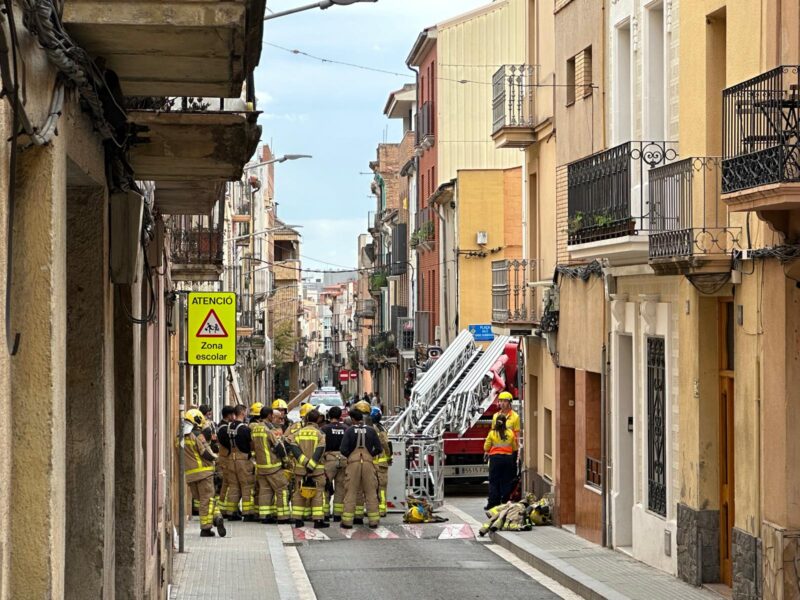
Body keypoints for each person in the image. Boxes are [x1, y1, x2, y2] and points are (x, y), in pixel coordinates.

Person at [181, 408, 225, 537]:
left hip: (190, 475)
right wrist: (216, 458)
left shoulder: (180, 437)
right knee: (207, 500)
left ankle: (217, 517)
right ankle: (206, 528)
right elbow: (206, 453)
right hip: (204, 473)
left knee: (203, 500)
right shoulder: (197, 436)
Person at [339, 408, 383, 529]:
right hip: (368, 463)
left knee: (351, 492)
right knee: (370, 492)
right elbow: (379, 448)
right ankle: (373, 521)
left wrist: (351, 457)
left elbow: (343, 449)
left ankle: (347, 522)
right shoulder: (371, 430)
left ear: (352, 419)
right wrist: (369, 455)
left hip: (353, 463)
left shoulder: (349, 431)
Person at [286, 409, 329, 529]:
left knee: (299, 494)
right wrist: (311, 465)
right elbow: (320, 450)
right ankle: (318, 521)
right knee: (318, 495)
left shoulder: (298, 433)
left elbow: (293, 447)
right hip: (316, 471)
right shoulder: (320, 434)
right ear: (318, 419)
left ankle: (298, 519)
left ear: (306, 419)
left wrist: (304, 462)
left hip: (300, 470)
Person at [251, 406, 290, 524]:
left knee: (264, 490)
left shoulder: (255, 429)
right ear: (269, 416)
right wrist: (285, 460)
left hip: (261, 467)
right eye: (272, 416)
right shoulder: (269, 431)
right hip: (273, 466)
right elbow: (278, 446)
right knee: (282, 489)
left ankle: (264, 515)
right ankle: (283, 517)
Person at [223, 405, 257, 521]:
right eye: (246, 411)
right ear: (242, 412)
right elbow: (252, 445)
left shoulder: (228, 427)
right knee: (247, 486)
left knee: (233, 487)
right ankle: (248, 513)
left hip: (231, 460)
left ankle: (231, 512)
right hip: (243, 461)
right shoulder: (245, 429)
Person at [483, 414, 518, 509]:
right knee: (506, 481)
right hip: (508, 460)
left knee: (494, 481)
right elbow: (515, 447)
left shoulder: (492, 433)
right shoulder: (510, 433)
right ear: (505, 422)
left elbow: (486, 447)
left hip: (495, 460)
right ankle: (505, 501)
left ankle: (493, 503)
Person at [320, 406, 348, 521]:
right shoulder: (346, 428)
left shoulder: (324, 429)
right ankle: (338, 515)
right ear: (340, 416)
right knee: (341, 488)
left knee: (325, 486)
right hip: (343, 459)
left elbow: (321, 446)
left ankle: (325, 514)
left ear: (329, 416)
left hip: (329, 459)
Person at [369, 407, 393, 517]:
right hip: (381, 463)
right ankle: (382, 509)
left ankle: (371, 508)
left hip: (370, 462)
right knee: (382, 487)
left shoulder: (368, 428)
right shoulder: (381, 428)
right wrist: (389, 456)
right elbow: (386, 444)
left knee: (370, 487)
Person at [215, 406, 236, 517]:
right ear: (228, 415)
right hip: (225, 459)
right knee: (226, 484)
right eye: (233, 415)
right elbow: (229, 444)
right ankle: (223, 510)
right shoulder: (224, 428)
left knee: (226, 484)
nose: (234, 417)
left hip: (224, 458)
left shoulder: (222, 426)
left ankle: (223, 509)